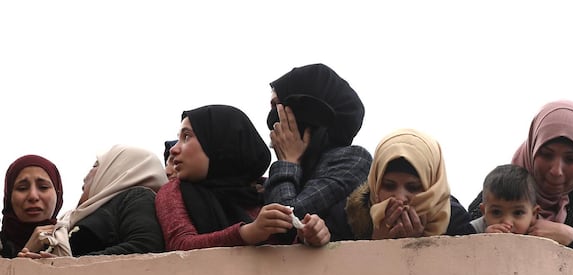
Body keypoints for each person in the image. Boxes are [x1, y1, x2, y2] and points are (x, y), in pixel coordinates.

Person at [468, 100, 573, 275]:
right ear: (532, 148)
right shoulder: (508, 183)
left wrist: (572, 239)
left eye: (571, 159)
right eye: (546, 155)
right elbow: (461, 237)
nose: (556, 170)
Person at [156, 104, 330, 250]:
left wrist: (309, 235)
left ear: (219, 141)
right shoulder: (174, 191)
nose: (174, 149)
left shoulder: (265, 190)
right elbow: (180, 245)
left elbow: (282, 250)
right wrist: (248, 233)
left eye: (186, 137)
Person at [264, 63, 372, 238]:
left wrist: (287, 163)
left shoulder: (353, 159)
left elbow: (285, 222)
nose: (274, 122)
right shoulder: (302, 165)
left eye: (278, 106)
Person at [19, 145, 168, 258]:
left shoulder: (136, 198)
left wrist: (67, 266)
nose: (86, 176)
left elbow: (146, 247)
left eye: (96, 165)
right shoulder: (70, 219)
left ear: (116, 170)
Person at [326, 128, 474, 241]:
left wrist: (417, 247)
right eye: (389, 186)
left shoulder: (455, 221)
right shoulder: (347, 217)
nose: (400, 198)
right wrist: (377, 245)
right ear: (375, 184)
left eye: (413, 187)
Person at [1, 155, 64, 258]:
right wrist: (26, 255)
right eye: (22, 188)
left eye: (43, 187)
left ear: (58, 193)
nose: (33, 196)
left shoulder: (76, 240)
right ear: (9, 197)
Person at [470, 164, 541, 234]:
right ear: (484, 212)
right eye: (496, 212)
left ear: (534, 214)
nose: (507, 223)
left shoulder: (542, 233)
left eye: (518, 213)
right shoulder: (473, 230)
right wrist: (484, 239)